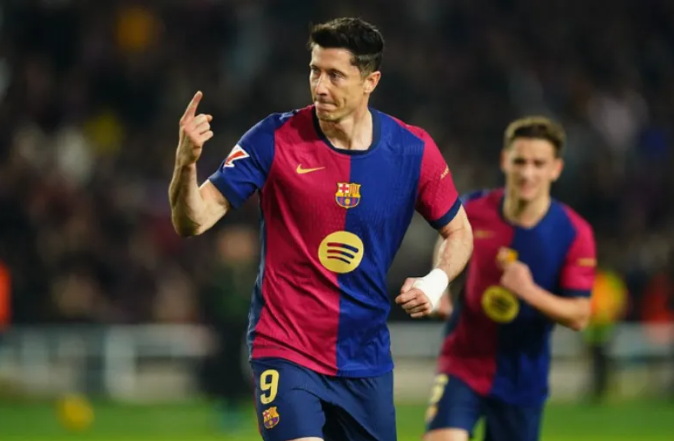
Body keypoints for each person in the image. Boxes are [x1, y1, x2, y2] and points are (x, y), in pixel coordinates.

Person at [168, 17, 473, 441]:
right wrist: (186, 164)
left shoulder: (412, 150)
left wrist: (436, 281)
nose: (320, 86)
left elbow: (460, 231)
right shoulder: (272, 137)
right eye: (315, 71)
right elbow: (193, 220)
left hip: (365, 359)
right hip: (285, 348)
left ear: (370, 81)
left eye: (335, 75)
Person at [423, 117, 597, 441]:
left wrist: (529, 292)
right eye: (520, 161)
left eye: (538, 163)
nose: (527, 173)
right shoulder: (473, 209)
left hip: (522, 379)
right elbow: (448, 238)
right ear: (505, 160)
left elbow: (580, 314)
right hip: (463, 363)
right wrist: (440, 283)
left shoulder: (574, 233)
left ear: (556, 169)